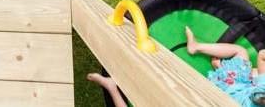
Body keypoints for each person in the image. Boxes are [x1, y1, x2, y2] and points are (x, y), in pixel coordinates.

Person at [87, 27, 265, 106]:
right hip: (234, 89)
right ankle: (210, 58)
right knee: (244, 59)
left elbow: (262, 55)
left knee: (241, 52)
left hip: (227, 90)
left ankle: (112, 87)